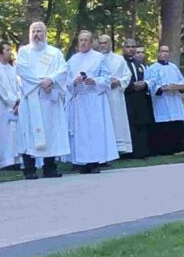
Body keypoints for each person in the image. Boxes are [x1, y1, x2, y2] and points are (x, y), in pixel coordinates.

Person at [15, 22, 70, 179]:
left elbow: (63, 70)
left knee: (51, 131)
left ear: (45, 34)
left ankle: (50, 167)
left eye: (39, 31)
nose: (36, 35)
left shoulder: (55, 52)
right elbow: (22, 70)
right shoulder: (24, 52)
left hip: (49, 99)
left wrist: (51, 80)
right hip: (31, 97)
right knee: (28, 133)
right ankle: (30, 169)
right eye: (33, 31)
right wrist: (41, 82)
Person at [65, 31, 118, 173]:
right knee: (81, 132)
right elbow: (66, 81)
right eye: (81, 40)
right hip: (79, 100)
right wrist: (74, 82)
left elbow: (107, 77)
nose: (83, 43)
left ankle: (94, 162)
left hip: (94, 98)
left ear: (92, 42)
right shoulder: (72, 60)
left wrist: (94, 80)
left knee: (94, 131)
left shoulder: (99, 58)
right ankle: (82, 162)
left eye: (86, 40)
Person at [96, 35, 133, 156]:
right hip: (100, 95)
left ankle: (119, 149)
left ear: (110, 43)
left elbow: (127, 75)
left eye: (105, 43)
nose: (103, 45)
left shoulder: (119, 59)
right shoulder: (94, 59)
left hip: (115, 95)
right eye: (101, 43)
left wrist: (118, 82)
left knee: (116, 120)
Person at [146, 45, 184, 155]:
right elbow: (150, 85)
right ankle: (164, 150)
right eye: (162, 51)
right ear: (158, 53)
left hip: (174, 101)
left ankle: (179, 148)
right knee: (164, 126)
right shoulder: (152, 68)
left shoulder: (173, 67)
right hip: (161, 101)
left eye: (167, 51)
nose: (165, 53)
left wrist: (176, 87)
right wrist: (161, 88)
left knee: (176, 124)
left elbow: (181, 82)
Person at [0, 41, 22, 168]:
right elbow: (2, 91)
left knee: (16, 133)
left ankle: (18, 160)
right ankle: (7, 161)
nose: (10, 52)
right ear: (0, 52)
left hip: (16, 106)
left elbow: (18, 86)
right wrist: (13, 102)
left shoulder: (11, 68)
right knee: (6, 134)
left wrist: (19, 101)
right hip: (4, 107)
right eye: (7, 50)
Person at [121, 38, 153, 158]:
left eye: (133, 47)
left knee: (141, 123)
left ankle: (141, 152)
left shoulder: (140, 64)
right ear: (123, 48)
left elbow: (149, 79)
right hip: (127, 97)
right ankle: (128, 153)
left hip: (140, 98)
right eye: (128, 47)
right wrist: (131, 85)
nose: (131, 49)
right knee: (129, 124)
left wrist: (145, 84)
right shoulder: (120, 63)